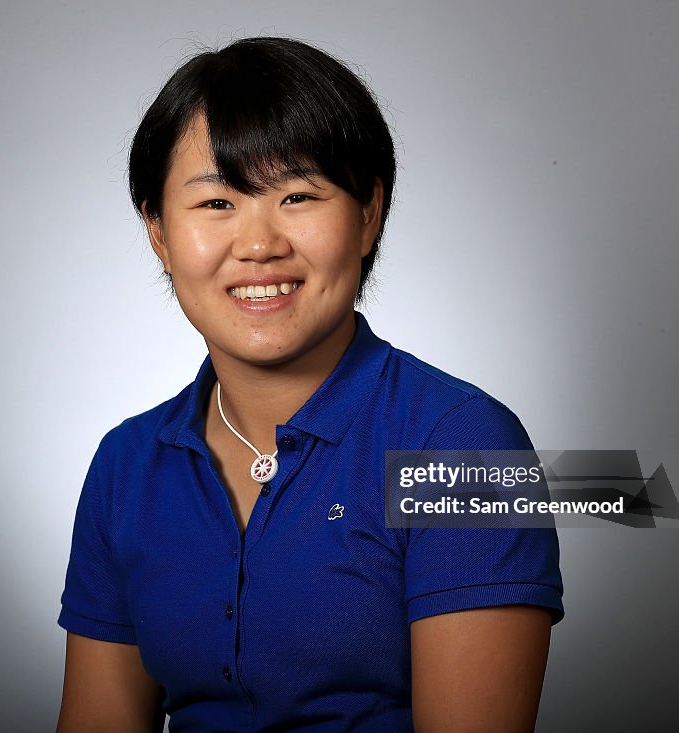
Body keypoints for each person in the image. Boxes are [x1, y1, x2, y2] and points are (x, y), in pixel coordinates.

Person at [56, 36, 564, 733]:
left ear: (368, 214)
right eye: (216, 204)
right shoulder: (127, 464)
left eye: (298, 195)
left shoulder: (465, 447)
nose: (259, 243)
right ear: (159, 234)